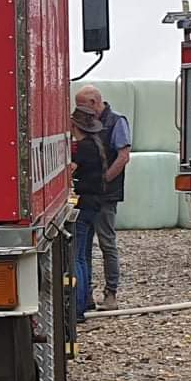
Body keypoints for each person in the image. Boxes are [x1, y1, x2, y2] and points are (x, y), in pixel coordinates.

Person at [74, 85, 130, 310]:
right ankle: (85, 294)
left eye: (81, 105)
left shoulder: (117, 122)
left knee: (107, 243)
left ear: (93, 102)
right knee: (84, 247)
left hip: (106, 194)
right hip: (92, 194)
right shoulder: (90, 124)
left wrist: (102, 180)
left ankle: (111, 293)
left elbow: (123, 156)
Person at [69, 107, 110, 323]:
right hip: (94, 204)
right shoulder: (96, 145)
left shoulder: (83, 148)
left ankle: (77, 308)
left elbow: (70, 170)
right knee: (84, 256)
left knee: (77, 257)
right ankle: (85, 301)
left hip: (83, 204)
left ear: (75, 126)